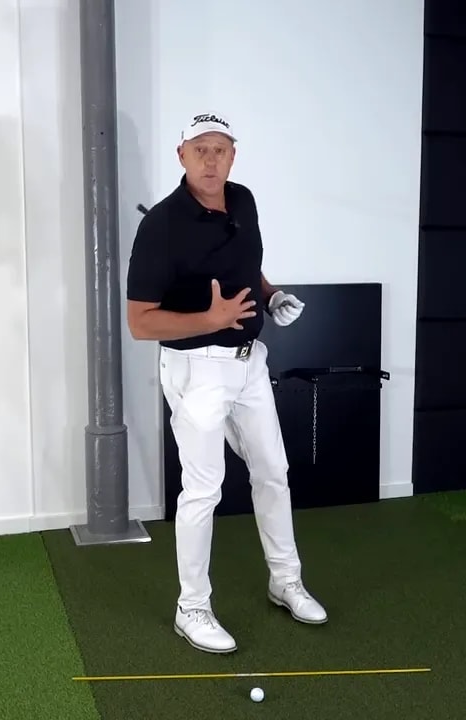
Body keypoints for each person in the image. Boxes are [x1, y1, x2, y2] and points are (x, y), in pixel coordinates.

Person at [124, 112, 327, 654]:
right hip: (196, 369)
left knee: (274, 472)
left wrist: (270, 294)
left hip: (248, 363)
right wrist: (208, 321)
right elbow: (140, 321)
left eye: (221, 149)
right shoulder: (160, 225)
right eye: (201, 149)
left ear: (233, 155)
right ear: (182, 155)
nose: (211, 160)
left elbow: (245, 267)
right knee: (203, 489)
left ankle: (285, 581)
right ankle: (191, 608)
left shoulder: (243, 199)